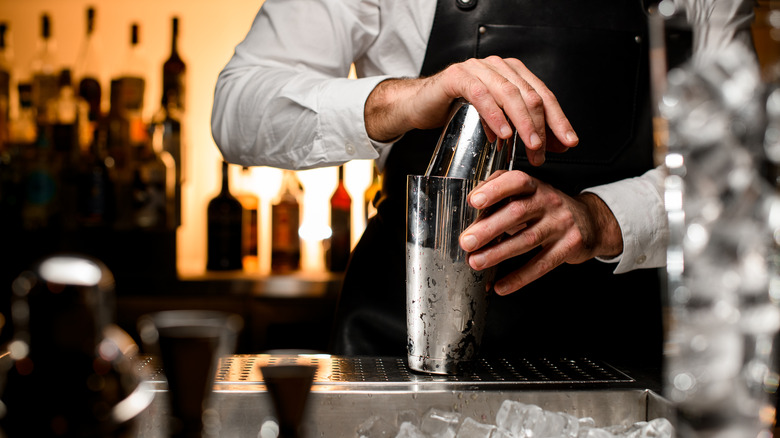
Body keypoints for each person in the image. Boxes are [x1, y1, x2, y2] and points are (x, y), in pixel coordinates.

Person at [211, 0, 755, 370]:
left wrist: (603, 218)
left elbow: (739, 168)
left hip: (616, 347)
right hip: (406, 338)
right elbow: (239, 107)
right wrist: (401, 98)